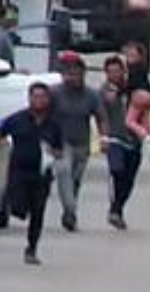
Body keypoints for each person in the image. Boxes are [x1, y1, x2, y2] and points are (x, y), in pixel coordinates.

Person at [0, 82, 63, 265]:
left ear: (48, 100)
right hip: (19, 171)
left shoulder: (54, 124)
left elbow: (60, 150)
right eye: (35, 97)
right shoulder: (18, 119)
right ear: (29, 99)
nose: (39, 101)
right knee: (18, 205)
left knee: (38, 212)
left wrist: (52, 152)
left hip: (41, 174)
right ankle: (19, 209)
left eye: (42, 97)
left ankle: (31, 248)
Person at [49, 51, 109, 231]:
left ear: (83, 74)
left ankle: (69, 212)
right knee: (64, 173)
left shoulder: (91, 95)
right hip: (61, 143)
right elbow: (43, 116)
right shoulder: (54, 93)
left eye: (76, 74)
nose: (72, 77)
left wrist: (104, 138)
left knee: (75, 180)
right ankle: (71, 208)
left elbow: (101, 118)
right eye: (68, 73)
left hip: (82, 144)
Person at [99, 54, 141, 230]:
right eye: (110, 72)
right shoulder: (103, 92)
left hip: (134, 139)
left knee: (129, 179)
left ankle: (117, 209)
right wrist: (104, 137)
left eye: (117, 71)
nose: (114, 75)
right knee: (117, 172)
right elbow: (100, 116)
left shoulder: (134, 88)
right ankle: (115, 210)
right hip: (115, 139)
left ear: (124, 72)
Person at [121, 40, 150, 160]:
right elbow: (148, 84)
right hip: (146, 95)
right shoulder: (143, 68)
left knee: (129, 121)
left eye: (133, 55)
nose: (129, 58)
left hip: (138, 96)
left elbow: (131, 84)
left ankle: (146, 138)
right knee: (146, 122)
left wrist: (122, 90)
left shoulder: (133, 69)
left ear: (139, 56)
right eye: (128, 55)